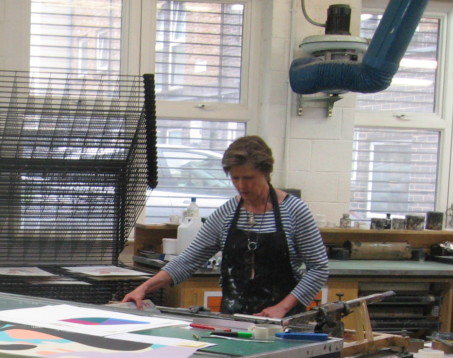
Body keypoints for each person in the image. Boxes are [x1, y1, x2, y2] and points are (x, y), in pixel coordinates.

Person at [122, 135, 328, 318]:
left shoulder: (294, 211)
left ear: (266, 173)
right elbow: (189, 259)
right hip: (234, 320)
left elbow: (318, 269)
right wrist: (144, 288)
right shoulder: (227, 213)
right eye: (235, 178)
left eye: (248, 178)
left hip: (283, 322)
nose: (241, 185)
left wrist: (282, 308)